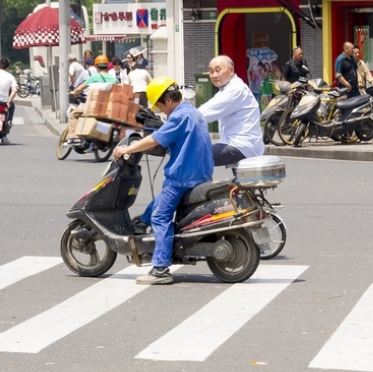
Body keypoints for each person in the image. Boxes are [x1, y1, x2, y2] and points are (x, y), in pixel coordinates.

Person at [114, 77, 215, 285]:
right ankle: (142, 223)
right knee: (161, 198)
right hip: (201, 176)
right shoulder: (194, 113)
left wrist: (127, 149)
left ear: (168, 100)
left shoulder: (178, 117)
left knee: (161, 217)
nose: (161, 110)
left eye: (160, 105)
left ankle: (160, 268)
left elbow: (155, 139)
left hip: (183, 179)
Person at [198, 55, 265, 166]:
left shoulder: (235, 90)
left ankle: (198, 183)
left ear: (231, 70)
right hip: (236, 144)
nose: (214, 75)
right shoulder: (225, 90)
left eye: (218, 70)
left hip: (241, 145)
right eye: (211, 71)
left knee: (194, 155)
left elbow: (204, 113)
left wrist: (176, 126)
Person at [65, 55, 119, 141]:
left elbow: (79, 88)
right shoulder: (114, 79)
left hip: (93, 108)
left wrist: (73, 93)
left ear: (96, 66)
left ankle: (74, 138)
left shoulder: (94, 77)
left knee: (73, 114)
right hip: (108, 110)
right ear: (107, 66)